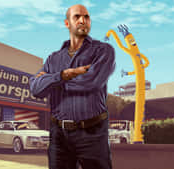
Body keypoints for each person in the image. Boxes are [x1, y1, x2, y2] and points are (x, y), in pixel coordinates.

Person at [29, 4, 115, 169]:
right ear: (67, 23)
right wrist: (63, 75)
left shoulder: (103, 50)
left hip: (93, 134)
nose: (83, 20)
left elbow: (91, 82)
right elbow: (35, 89)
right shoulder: (53, 59)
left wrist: (51, 82)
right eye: (77, 17)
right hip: (58, 136)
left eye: (87, 17)